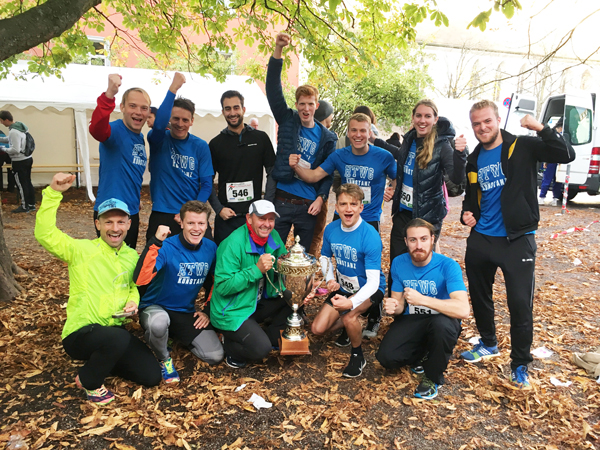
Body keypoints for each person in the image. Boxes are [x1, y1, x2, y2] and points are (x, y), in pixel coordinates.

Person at [460, 100, 575, 389]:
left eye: (487, 121)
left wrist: (540, 127)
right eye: (476, 123)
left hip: (517, 240)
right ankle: (488, 343)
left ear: (498, 120)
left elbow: (566, 154)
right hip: (482, 239)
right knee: (480, 296)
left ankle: (520, 363)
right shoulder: (473, 158)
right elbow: (472, 195)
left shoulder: (522, 145)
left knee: (520, 305)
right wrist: (467, 212)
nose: (482, 127)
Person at [34, 173, 161, 404]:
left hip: (113, 333)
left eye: (121, 222)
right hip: (81, 334)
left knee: (151, 375)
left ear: (129, 224)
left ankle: (103, 361)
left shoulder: (131, 256)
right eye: (108, 222)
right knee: (117, 339)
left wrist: (133, 302)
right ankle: (89, 380)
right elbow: (45, 234)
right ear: (97, 224)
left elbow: (133, 286)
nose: (115, 228)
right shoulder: (81, 250)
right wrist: (53, 193)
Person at [376, 219, 469, 400]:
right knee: (387, 358)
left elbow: (463, 309)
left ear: (432, 240)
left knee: (441, 327)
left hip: (442, 319)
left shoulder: (448, 266)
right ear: (405, 242)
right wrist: (393, 306)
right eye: (413, 240)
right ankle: (425, 351)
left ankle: (432, 376)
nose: (418, 245)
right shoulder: (398, 263)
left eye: (424, 239)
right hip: (413, 319)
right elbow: (399, 304)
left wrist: (423, 300)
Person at [134, 201, 224, 383]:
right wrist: (155, 242)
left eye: (201, 223)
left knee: (215, 355)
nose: (196, 228)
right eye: (190, 223)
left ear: (207, 225)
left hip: (184, 311)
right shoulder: (167, 246)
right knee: (158, 324)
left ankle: (172, 336)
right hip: (155, 307)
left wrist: (207, 311)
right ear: (181, 223)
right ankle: (163, 357)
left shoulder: (210, 248)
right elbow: (140, 279)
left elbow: (217, 282)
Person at [266, 32, 337, 249]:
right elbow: (273, 89)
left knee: (303, 260)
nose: (306, 108)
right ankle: (273, 285)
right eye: (302, 103)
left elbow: (327, 173)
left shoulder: (327, 138)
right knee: (273, 254)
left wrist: (321, 198)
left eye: (310, 104)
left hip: (309, 205)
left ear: (316, 106)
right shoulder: (288, 120)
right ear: (297, 105)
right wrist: (278, 50)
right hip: (282, 201)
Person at [310, 184, 385, 378]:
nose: (348, 209)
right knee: (317, 329)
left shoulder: (370, 236)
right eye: (343, 204)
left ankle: (357, 355)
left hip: (369, 288)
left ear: (361, 207)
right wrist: (330, 279)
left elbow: (373, 283)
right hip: (344, 286)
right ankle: (347, 321)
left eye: (353, 204)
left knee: (349, 316)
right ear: (336, 207)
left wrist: (351, 303)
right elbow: (325, 257)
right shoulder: (331, 229)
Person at [210, 199, 292, 368]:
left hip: (257, 300)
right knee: (261, 350)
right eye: (261, 218)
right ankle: (229, 344)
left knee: (293, 297)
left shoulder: (273, 236)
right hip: (232, 309)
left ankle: (268, 335)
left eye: (271, 219)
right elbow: (223, 287)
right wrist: (256, 270)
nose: (267, 224)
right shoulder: (232, 244)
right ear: (249, 218)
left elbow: (283, 266)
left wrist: (298, 283)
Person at [389, 99, 467, 264]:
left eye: (427, 116)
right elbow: (405, 173)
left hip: (427, 216)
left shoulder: (442, 146)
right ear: (413, 117)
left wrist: (460, 155)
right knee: (397, 264)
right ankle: (396, 291)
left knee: (420, 266)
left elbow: (457, 179)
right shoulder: (409, 140)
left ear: (435, 119)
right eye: (418, 115)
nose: (422, 120)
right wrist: (393, 188)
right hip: (402, 214)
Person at [290, 113, 396, 233]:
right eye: (354, 130)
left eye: (363, 131)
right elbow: (313, 176)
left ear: (369, 133)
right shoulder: (339, 155)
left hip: (369, 217)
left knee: (368, 251)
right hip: (343, 215)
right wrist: (295, 166)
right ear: (348, 133)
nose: (358, 135)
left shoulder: (384, 156)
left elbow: (397, 178)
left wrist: (392, 188)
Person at [146, 72, 214, 241]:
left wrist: (193, 212)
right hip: (163, 212)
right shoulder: (158, 140)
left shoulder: (200, 146)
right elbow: (159, 124)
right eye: (175, 118)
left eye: (185, 120)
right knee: (155, 261)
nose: (180, 124)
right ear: (170, 118)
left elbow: (206, 184)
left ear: (192, 121)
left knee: (208, 257)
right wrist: (173, 89)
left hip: (192, 215)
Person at [89, 74, 151, 249]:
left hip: (131, 210)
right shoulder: (115, 130)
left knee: (126, 260)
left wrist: (135, 195)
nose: (138, 112)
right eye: (133, 106)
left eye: (143, 108)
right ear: (122, 107)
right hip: (111, 211)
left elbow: (130, 170)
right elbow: (96, 129)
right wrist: (109, 94)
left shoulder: (139, 138)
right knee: (109, 263)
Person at [208, 90, 276, 245]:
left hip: (255, 217)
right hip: (227, 217)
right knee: (225, 262)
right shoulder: (215, 144)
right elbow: (207, 180)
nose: (232, 113)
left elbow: (272, 172)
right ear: (223, 112)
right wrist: (218, 209)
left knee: (255, 262)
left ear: (243, 109)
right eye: (228, 109)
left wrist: (266, 203)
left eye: (236, 108)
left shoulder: (261, 138)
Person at [308, 99, 335, 257]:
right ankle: (308, 269)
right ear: (327, 115)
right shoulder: (329, 138)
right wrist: (322, 196)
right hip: (318, 193)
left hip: (309, 193)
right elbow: (328, 173)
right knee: (316, 235)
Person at [0, 111, 35, 213]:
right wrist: (1, 139)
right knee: (27, 182)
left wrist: (3, 148)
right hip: (27, 158)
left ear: (6, 120)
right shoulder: (19, 128)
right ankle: (31, 204)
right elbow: (10, 139)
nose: (2, 123)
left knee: (21, 184)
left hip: (19, 161)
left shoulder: (13, 131)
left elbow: (15, 149)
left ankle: (24, 206)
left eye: (2, 121)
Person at [538, 117, 564, 206]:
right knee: (548, 179)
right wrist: (545, 161)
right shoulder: (553, 135)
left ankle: (554, 198)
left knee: (557, 180)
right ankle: (542, 197)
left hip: (557, 161)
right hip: (551, 160)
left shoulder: (561, 135)